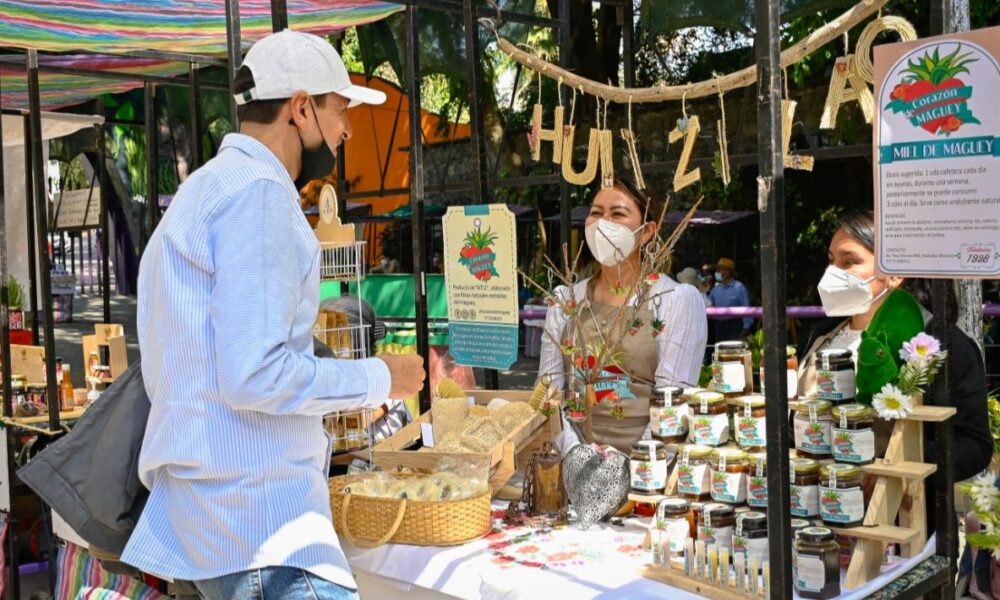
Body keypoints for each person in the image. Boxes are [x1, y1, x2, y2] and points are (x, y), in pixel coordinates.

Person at [125, 30, 425, 600]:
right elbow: (255, 373)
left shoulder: (206, 190)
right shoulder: (256, 193)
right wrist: (380, 377)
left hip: (220, 515)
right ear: (301, 107)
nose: (346, 129)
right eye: (339, 110)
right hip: (261, 521)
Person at [797, 212, 991, 495]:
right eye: (831, 261)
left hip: (901, 518)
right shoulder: (819, 337)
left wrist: (899, 460)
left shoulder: (940, 345)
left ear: (894, 273)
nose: (832, 273)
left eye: (849, 261)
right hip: (814, 510)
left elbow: (974, 446)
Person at [537, 178, 708, 452]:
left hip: (649, 470)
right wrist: (575, 454)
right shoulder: (565, 301)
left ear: (646, 232)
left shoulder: (676, 301)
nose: (602, 224)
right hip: (573, 463)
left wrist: (631, 465)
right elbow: (548, 395)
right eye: (595, 213)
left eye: (617, 214)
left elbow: (674, 406)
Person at [708, 257, 753, 341]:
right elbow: (709, 306)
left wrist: (746, 327)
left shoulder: (739, 288)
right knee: (720, 351)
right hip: (719, 326)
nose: (718, 272)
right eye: (718, 270)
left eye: (721, 269)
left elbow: (747, 308)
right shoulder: (715, 290)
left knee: (733, 352)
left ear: (729, 271)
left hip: (735, 325)